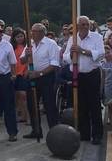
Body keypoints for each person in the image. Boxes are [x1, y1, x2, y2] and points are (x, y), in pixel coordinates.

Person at [63, 16, 105, 145]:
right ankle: (85, 133)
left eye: (87, 24)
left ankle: (97, 134)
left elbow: (101, 53)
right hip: (78, 75)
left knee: (95, 105)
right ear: (77, 26)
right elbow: (65, 58)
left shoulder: (96, 37)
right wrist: (71, 53)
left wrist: (83, 51)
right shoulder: (72, 38)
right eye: (82, 24)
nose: (85, 26)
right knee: (81, 105)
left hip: (92, 74)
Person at [20, 23, 60, 138]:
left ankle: (54, 132)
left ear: (43, 32)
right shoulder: (29, 44)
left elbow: (54, 64)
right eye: (32, 31)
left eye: (36, 31)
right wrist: (26, 56)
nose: (33, 33)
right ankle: (36, 130)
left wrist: (39, 73)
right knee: (32, 105)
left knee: (49, 105)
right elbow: (22, 61)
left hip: (46, 77)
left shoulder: (51, 44)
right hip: (32, 77)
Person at [10, 28, 29, 123]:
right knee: (16, 95)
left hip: (23, 73)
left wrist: (27, 70)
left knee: (23, 94)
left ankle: (26, 116)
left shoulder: (27, 46)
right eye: (18, 36)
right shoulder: (11, 47)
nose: (20, 38)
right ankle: (20, 114)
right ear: (14, 38)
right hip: (14, 73)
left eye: (21, 36)